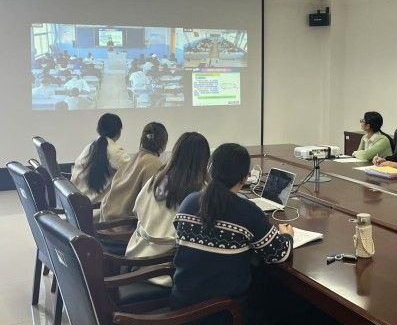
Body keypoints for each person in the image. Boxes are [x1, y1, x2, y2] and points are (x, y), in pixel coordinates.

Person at [170, 143, 294, 324]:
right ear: (245, 177)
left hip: (181, 306)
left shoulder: (189, 201)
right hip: (223, 312)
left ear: (210, 170)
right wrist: (287, 235)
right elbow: (278, 253)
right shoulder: (247, 211)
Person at [125, 132, 211, 284]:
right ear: (204, 160)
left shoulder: (157, 178)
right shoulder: (200, 193)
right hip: (164, 270)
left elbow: (136, 210)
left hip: (136, 257)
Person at [100, 122, 168, 222]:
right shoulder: (154, 164)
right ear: (163, 144)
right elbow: (150, 203)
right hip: (122, 224)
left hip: (107, 216)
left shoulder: (134, 158)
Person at [71, 113, 130, 207]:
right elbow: (133, 172)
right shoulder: (116, 152)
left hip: (79, 203)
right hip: (95, 208)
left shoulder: (90, 147)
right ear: (119, 132)